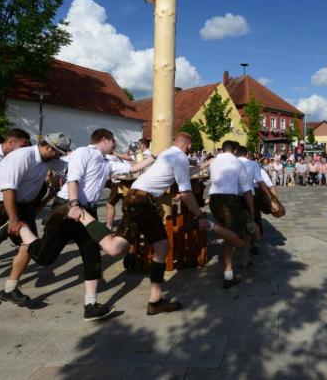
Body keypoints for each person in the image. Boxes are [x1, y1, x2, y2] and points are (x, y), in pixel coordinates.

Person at [70, 133, 247, 315]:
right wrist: (200, 215)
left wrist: (205, 164)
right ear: (189, 145)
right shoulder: (180, 158)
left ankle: (155, 301)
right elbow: (186, 194)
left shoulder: (169, 154)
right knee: (115, 248)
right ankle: (81, 214)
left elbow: (184, 173)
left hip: (144, 201)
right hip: (140, 202)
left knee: (162, 246)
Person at [19, 129, 154, 321]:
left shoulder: (107, 162)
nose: (115, 145)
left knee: (92, 256)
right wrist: (74, 204)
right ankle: (20, 228)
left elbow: (132, 169)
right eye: (113, 141)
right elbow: (73, 179)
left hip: (88, 211)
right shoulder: (83, 152)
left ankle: (90, 305)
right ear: (105, 139)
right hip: (67, 207)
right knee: (45, 257)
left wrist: (154, 158)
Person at [0, 133, 70, 308]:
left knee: (30, 244)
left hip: (21, 205)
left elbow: (69, 167)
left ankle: (8, 288)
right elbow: (8, 189)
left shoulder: (49, 159)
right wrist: (14, 220)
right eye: (58, 153)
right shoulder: (21, 156)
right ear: (49, 147)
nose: (59, 157)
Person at [207, 140, 255, 287]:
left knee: (228, 237)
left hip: (213, 200)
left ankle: (228, 275)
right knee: (237, 239)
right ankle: (209, 225)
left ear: (222, 149)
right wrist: (252, 211)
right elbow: (246, 189)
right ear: (235, 151)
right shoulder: (238, 163)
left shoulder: (213, 162)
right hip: (229, 201)